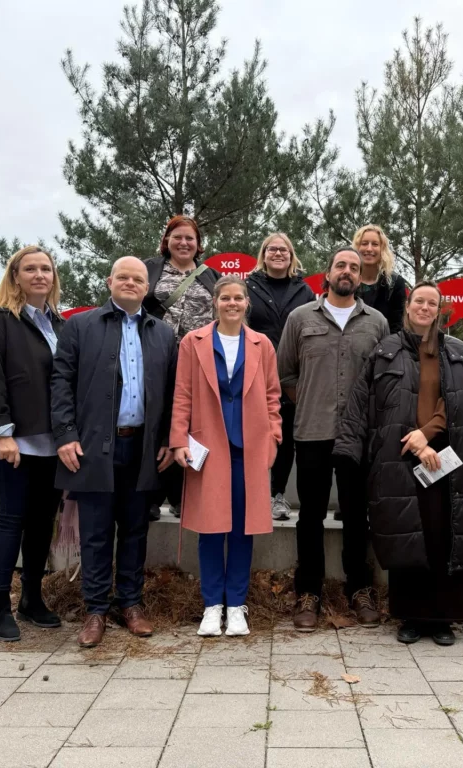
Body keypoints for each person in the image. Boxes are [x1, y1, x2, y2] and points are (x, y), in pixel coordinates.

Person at [335, 282, 463, 645]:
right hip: (398, 455)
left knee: (446, 533)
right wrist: (349, 449)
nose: (425, 307)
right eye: (419, 301)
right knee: (406, 534)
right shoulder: (385, 351)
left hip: (447, 456)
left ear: (439, 310)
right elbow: (361, 401)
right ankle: (411, 616)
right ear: (408, 305)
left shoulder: (457, 351)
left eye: (432, 303)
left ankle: (444, 618)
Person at [51, 256, 178, 648]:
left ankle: (131, 604)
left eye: (137, 278)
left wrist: (168, 438)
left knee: (136, 530)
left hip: (143, 448)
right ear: (109, 282)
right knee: (96, 532)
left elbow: (173, 392)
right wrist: (65, 435)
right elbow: (60, 381)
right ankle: (95, 609)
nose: (130, 283)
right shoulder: (80, 326)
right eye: (123, 276)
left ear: (146, 287)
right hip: (93, 447)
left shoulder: (163, 334)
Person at [277, 247, 389, 631]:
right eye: (341, 265)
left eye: (354, 268)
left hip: (358, 436)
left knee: (357, 514)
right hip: (313, 431)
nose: (347, 271)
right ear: (327, 273)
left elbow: (383, 379)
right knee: (310, 514)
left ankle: (359, 589)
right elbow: (286, 374)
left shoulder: (376, 322)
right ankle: (309, 592)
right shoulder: (300, 318)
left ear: (360, 277)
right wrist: (313, 401)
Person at [170, 276, 282, 637]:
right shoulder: (193, 342)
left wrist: (274, 437)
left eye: (238, 298)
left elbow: (273, 396)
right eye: (225, 298)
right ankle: (211, 606)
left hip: (249, 448)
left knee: (241, 530)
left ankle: (235, 606)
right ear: (214, 302)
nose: (232, 303)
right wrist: (178, 439)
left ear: (247, 303)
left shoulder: (262, 344)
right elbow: (183, 394)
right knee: (210, 528)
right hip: (209, 447)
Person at [0, 245, 66, 642]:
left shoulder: (59, 325)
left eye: (46, 268)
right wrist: (2, 433)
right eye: (30, 269)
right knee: (11, 521)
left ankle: (31, 599)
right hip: (15, 443)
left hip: (53, 445)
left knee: (42, 524)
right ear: (15, 276)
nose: (40, 275)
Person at [143, 215, 221, 522]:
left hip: (198, 362)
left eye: (190, 238)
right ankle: (151, 494)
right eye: (177, 237)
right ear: (167, 240)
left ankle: (179, 495)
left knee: (188, 423)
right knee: (155, 421)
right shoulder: (150, 269)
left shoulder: (211, 276)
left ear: (198, 244)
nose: (184, 242)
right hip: (155, 359)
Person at [245, 233, 315, 521]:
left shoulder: (304, 290)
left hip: (291, 374)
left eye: (283, 249)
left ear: (291, 255)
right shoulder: (248, 286)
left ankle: (277, 494)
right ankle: (250, 492)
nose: (277, 253)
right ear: (263, 254)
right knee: (251, 434)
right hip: (254, 371)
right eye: (271, 249)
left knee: (284, 437)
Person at [354, 224, 407, 333]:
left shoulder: (395, 283)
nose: (369, 249)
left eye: (375, 244)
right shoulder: (348, 280)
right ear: (357, 248)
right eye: (364, 243)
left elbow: (398, 325)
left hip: (385, 342)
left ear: (382, 249)